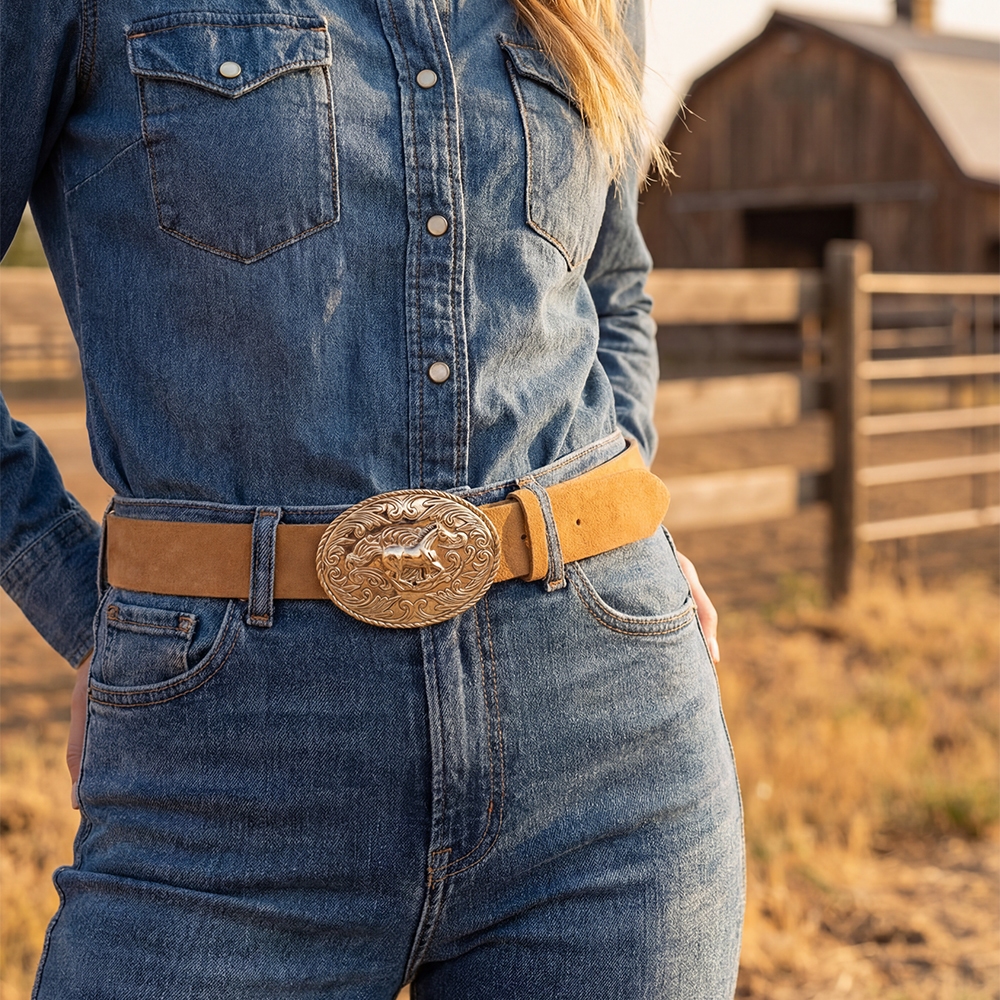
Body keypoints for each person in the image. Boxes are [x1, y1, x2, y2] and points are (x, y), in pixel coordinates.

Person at [1, 0, 744, 994]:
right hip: (224, 768)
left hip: (609, 751)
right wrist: (81, 602)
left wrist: (609, 517)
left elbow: (610, 286)